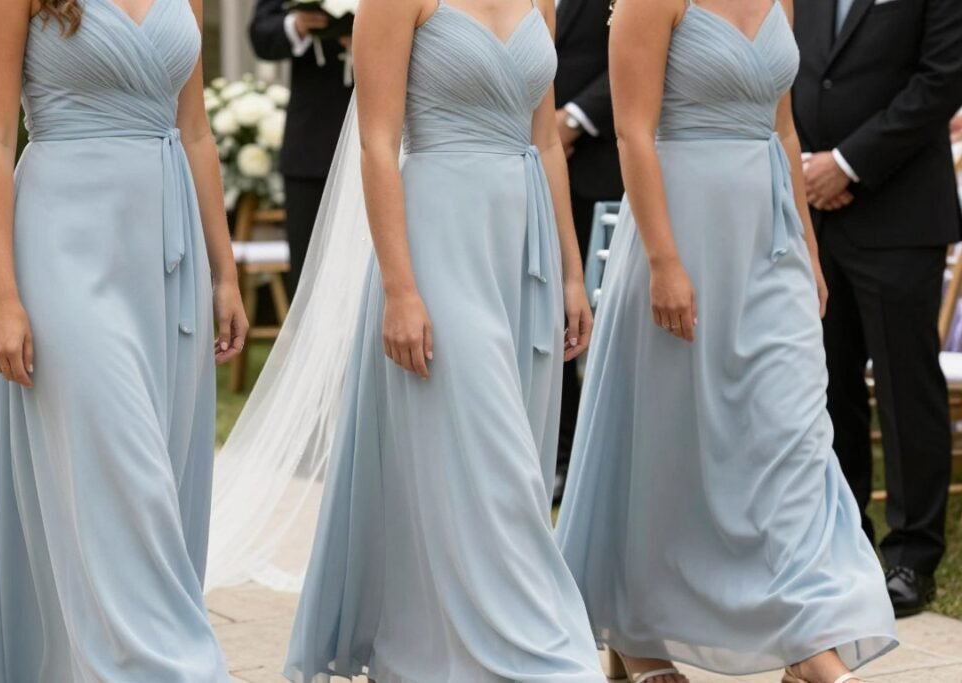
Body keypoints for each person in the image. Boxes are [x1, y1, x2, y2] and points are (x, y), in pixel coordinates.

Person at [230, 0, 607, 676]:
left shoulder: (537, 4)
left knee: (501, 450)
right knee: (497, 461)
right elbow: (378, 142)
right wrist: (401, 289)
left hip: (523, 249)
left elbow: (546, 139)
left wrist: (573, 273)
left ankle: (445, 642)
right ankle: (538, 650)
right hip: (437, 244)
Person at [555, 0, 898, 681]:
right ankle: (636, 632)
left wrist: (806, 247)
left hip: (767, 243)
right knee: (669, 446)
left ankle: (808, 639)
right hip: (680, 238)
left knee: (795, 435)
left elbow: (785, 130)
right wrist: (664, 262)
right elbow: (632, 132)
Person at [0, 0, 248, 679]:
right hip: (65, 254)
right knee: (124, 474)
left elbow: (194, 131)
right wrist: (1, 296)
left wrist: (224, 271)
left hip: (168, 261)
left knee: (155, 482)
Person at [792, 0, 962, 618]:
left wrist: (847, 164)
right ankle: (844, 543)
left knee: (903, 389)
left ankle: (912, 557)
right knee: (826, 385)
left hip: (900, 213)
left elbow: (941, 78)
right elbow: (798, 70)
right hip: (811, 215)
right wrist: (807, 170)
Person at [553, 0, 624, 502]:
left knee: (606, 319)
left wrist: (574, 118)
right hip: (514, 163)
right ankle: (556, 454)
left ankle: (605, 456)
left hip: (601, 167)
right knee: (549, 318)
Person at [250, 0, 355, 294]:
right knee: (309, 273)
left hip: (386, 132)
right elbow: (261, 34)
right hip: (312, 144)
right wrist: (298, 24)